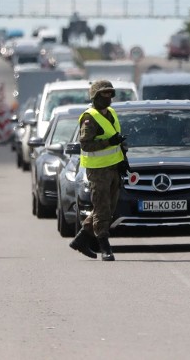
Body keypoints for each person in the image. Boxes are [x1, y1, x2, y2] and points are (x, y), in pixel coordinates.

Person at [69, 79, 127, 261]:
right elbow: (86, 145)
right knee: (102, 209)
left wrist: (124, 160)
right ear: (95, 96)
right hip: (98, 170)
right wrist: (108, 143)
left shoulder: (111, 113)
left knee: (107, 208)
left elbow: (117, 140)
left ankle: (80, 239)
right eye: (104, 93)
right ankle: (105, 246)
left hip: (114, 167)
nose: (108, 97)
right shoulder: (89, 118)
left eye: (110, 93)